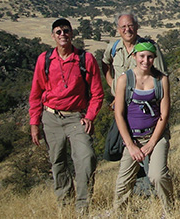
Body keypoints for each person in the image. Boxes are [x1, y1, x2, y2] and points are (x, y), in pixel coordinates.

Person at [29, 18, 104, 214]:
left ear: (72, 34)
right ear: (53, 36)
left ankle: (82, 205)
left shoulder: (84, 59)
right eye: (58, 32)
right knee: (58, 161)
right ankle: (65, 203)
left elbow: (97, 93)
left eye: (66, 31)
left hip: (76, 118)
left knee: (86, 158)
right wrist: (34, 123)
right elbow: (36, 93)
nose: (63, 35)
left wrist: (89, 117)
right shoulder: (45, 60)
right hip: (51, 118)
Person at [113, 41, 173, 212]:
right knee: (122, 185)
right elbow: (118, 114)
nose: (146, 61)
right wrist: (131, 146)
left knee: (158, 176)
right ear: (134, 57)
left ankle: (170, 209)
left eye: (150, 57)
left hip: (155, 136)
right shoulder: (125, 79)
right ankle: (119, 213)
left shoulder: (161, 80)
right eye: (142, 56)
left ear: (154, 58)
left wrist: (152, 143)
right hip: (133, 138)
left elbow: (164, 114)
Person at [102, 11, 166, 96]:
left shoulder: (149, 47)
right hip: (118, 100)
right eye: (123, 27)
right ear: (118, 29)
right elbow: (105, 63)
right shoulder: (113, 48)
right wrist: (112, 83)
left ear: (136, 27)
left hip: (142, 101)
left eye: (130, 26)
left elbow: (161, 76)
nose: (127, 29)